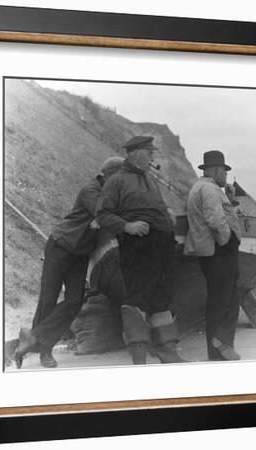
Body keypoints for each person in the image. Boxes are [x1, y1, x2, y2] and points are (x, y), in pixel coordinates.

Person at [13, 156, 125, 369]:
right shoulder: (90, 190)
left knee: (74, 300)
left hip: (80, 252)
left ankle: (33, 337)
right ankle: (45, 351)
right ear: (110, 175)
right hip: (61, 246)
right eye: (121, 177)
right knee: (49, 297)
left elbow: (107, 217)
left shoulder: (108, 192)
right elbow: (104, 214)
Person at [95, 135, 185, 365]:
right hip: (138, 247)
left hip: (162, 244)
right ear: (134, 153)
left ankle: (167, 351)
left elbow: (157, 205)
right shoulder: (116, 181)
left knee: (162, 297)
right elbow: (102, 214)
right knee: (138, 298)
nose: (153, 155)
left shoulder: (150, 179)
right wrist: (127, 226)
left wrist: (167, 214)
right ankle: (139, 357)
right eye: (149, 151)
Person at [184, 150, 242, 361]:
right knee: (226, 297)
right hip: (219, 250)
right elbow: (215, 219)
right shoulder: (209, 189)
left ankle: (219, 346)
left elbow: (220, 213)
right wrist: (227, 240)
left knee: (223, 297)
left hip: (212, 250)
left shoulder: (202, 187)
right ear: (216, 170)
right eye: (224, 171)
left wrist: (230, 200)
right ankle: (219, 343)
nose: (225, 176)